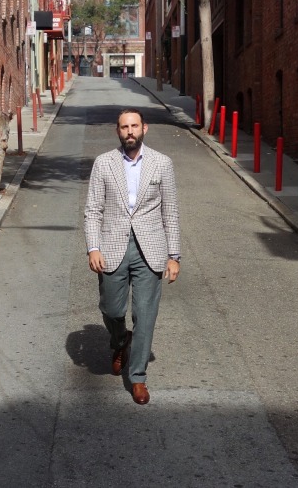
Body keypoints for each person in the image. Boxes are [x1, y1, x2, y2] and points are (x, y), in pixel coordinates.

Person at [84, 108, 181, 405]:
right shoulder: (103, 163)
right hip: (112, 246)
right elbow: (93, 210)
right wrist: (93, 247)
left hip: (150, 248)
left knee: (145, 315)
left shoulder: (162, 163)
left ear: (144, 128)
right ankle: (119, 339)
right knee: (112, 309)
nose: (130, 131)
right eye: (124, 127)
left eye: (134, 126)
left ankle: (138, 377)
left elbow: (170, 212)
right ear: (118, 131)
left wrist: (174, 255)